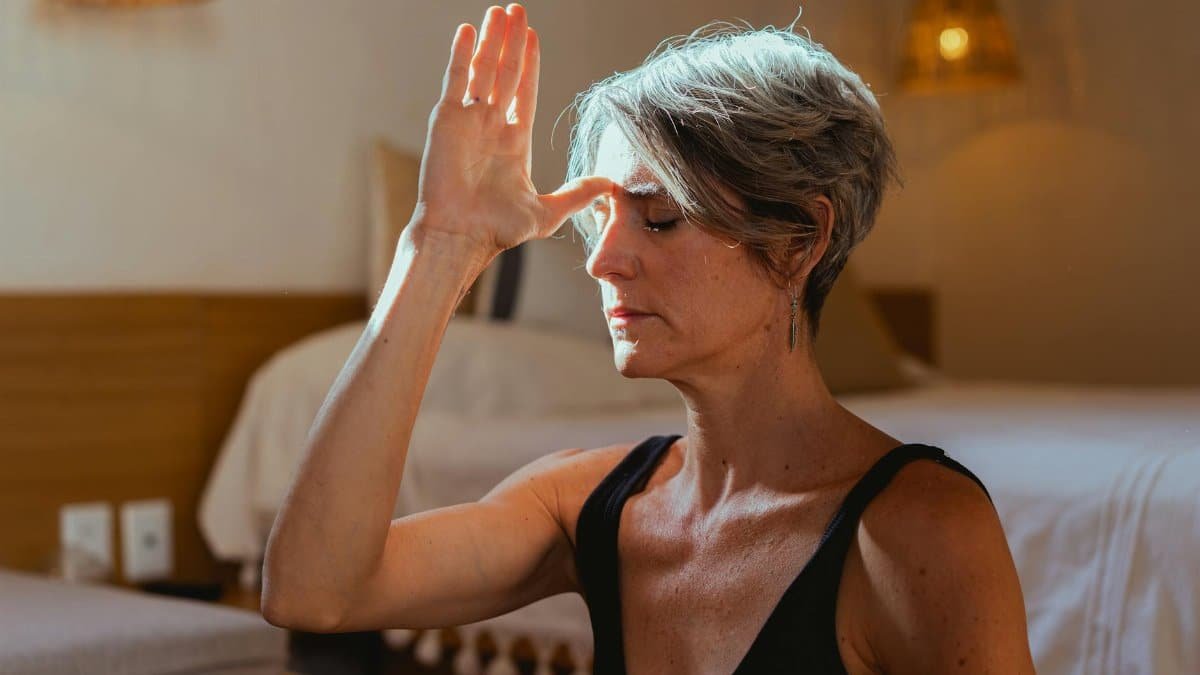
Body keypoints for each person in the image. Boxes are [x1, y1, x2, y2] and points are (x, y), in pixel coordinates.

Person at [262, 3, 1037, 673]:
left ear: (799, 240)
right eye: (603, 220)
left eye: (659, 218)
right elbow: (312, 589)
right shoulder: (584, 505)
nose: (602, 259)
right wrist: (441, 245)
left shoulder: (923, 532)